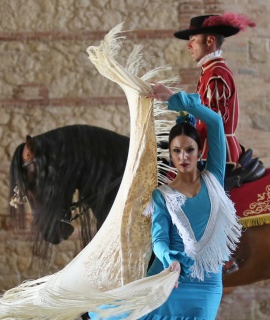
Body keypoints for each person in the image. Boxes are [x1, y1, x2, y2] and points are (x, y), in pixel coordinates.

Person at [89, 84, 241, 319]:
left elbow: (215, 123)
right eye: (176, 151)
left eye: (189, 149)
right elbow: (159, 239)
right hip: (170, 279)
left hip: (207, 286)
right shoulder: (162, 195)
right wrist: (170, 259)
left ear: (199, 152)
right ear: (170, 155)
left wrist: (179, 100)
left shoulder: (214, 178)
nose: (183, 157)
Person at [173, 13, 264, 190]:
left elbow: (213, 121)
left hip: (215, 152)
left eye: (193, 39)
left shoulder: (216, 74)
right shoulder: (211, 71)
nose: (188, 45)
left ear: (209, 41)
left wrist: (185, 138)